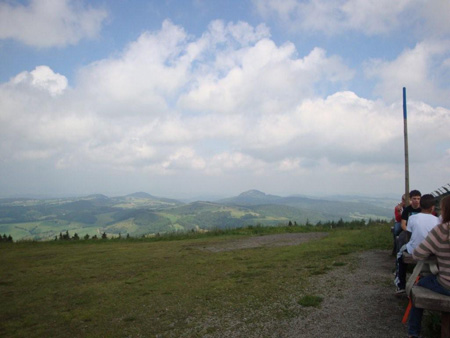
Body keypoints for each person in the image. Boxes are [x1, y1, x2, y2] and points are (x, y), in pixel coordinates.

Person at [408, 195, 450, 337]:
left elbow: (417, 254)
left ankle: (414, 333)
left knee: (418, 286)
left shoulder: (441, 230)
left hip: (446, 284)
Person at [394, 194, 439, 293]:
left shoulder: (413, 218)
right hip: (432, 251)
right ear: (432, 208)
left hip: (414, 249)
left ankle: (400, 284)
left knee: (400, 255)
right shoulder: (437, 220)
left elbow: (409, 234)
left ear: (420, 206)